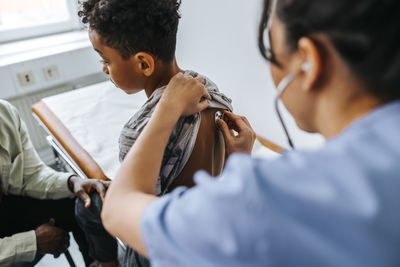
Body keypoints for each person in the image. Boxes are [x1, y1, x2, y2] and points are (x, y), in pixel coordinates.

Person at [101, 0, 400, 266]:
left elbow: (118, 209)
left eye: (270, 50)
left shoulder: (261, 201)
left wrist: (166, 108)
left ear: (309, 63)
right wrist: (238, 161)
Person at [75, 0, 232, 266]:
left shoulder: (136, 132)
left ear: (144, 65)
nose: (104, 68)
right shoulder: (208, 88)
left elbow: (132, 211)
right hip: (207, 223)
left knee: (85, 205)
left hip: (160, 248)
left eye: (106, 60)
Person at [0, 100, 110, 267]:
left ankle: (102, 263)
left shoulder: (5, 113)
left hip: (6, 207)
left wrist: (72, 182)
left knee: (82, 200)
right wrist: (30, 243)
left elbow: (31, 175)